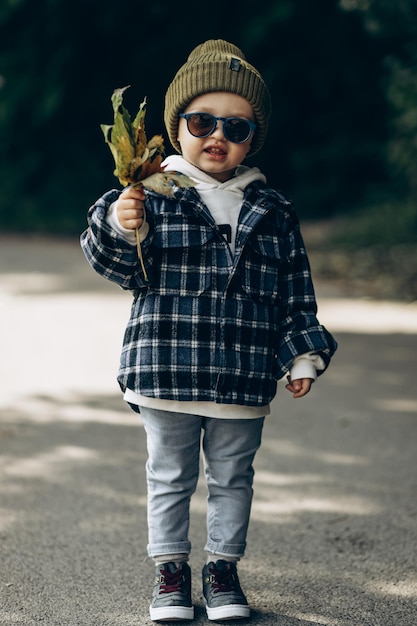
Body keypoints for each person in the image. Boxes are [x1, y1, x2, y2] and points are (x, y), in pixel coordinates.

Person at [81, 39, 337, 623]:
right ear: (177, 129)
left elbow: (294, 291)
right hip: (166, 366)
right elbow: (118, 267)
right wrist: (123, 227)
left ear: (253, 139)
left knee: (232, 478)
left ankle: (222, 570)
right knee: (169, 474)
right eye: (202, 121)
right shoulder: (151, 193)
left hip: (242, 373)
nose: (217, 135)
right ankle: (170, 571)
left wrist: (301, 354)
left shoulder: (273, 210)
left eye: (236, 128)